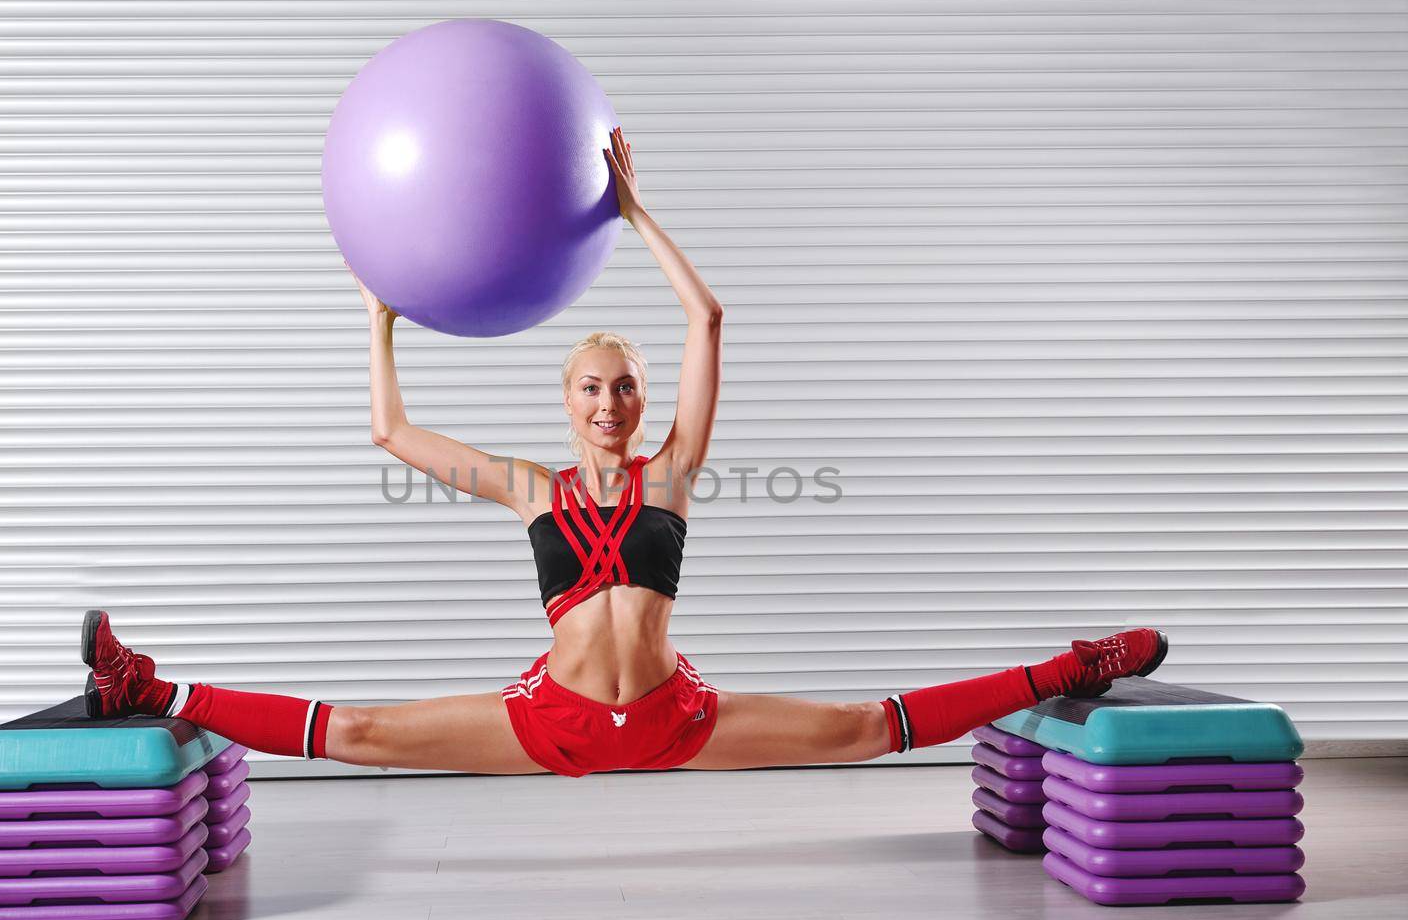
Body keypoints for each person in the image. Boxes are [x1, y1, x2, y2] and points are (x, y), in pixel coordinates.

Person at [84, 127, 1167, 775]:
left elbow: (708, 321)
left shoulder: (674, 472)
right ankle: (151, 688)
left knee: (856, 728)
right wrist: (379, 322)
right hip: (548, 720)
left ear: (644, 402)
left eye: (626, 388)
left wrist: (635, 213)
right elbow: (391, 432)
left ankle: (1072, 667)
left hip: (671, 717)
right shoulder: (529, 490)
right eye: (592, 388)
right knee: (362, 727)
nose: (610, 403)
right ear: (565, 402)